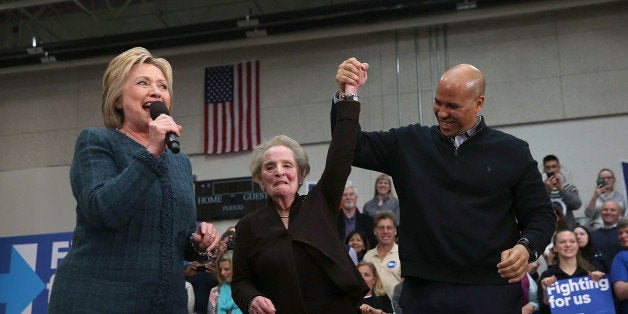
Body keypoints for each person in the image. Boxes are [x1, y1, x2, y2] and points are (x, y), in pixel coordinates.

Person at [334, 58, 556, 313]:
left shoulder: (512, 152)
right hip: (424, 292)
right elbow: (349, 146)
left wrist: (526, 247)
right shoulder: (410, 143)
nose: (441, 113)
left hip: (491, 291)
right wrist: (347, 96)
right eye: (437, 103)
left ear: (478, 103)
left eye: (452, 106)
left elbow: (541, 214)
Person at [48, 47, 220, 313]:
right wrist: (151, 152)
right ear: (117, 99)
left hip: (165, 304)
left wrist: (195, 242)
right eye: (143, 83)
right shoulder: (96, 142)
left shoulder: (180, 161)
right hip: (97, 300)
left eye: (163, 86)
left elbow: (175, 236)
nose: (156, 91)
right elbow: (103, 210)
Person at [232, 86, 368, 313]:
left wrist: (348, 98)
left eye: (287, 165)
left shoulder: (320, 204)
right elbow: (240, 283)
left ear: (301, 174)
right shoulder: (248, 226)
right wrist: (251, 299)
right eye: (270, 167)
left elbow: (341, 154)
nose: (279, 172)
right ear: (260, 179)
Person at [537, 229, 605, 314]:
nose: (568, 245)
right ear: (554, 247)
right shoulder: (547, 276)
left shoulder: (591, 273)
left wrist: (600, 286)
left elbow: (603, 307)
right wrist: (546, 296)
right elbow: (543, 312)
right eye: (562, 242)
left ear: (577, 245)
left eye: (572, 241)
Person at [363, 211, 402, 299]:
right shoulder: (367, 257)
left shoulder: (403, 255)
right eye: (381, 228)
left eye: (389, 228)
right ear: (374, 231)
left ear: (395, 231)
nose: (385, 231)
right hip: (372, 308)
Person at [542, 154, 582, 229]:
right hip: (548, 229)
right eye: (548, 167)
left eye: (554, 167)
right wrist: (547, 191)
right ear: (544, 170)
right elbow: (538, 207)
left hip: (568, 229)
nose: (551, 170)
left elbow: (577, 205)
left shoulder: (569, 187)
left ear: (559, 168)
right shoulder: (540, 189)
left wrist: (561, 189)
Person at [590, 199, 624, 272]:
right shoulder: (592, 236)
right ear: (601, 212)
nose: (608, 212)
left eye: (613, 210)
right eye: (605, 210)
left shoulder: (624, 235)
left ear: (620, 213)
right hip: (601, 279)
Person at [610, 218, 628, 313]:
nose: (623, 236)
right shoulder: (620, 257)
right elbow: (620, 291)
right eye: (620, 233)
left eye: (627, 232)